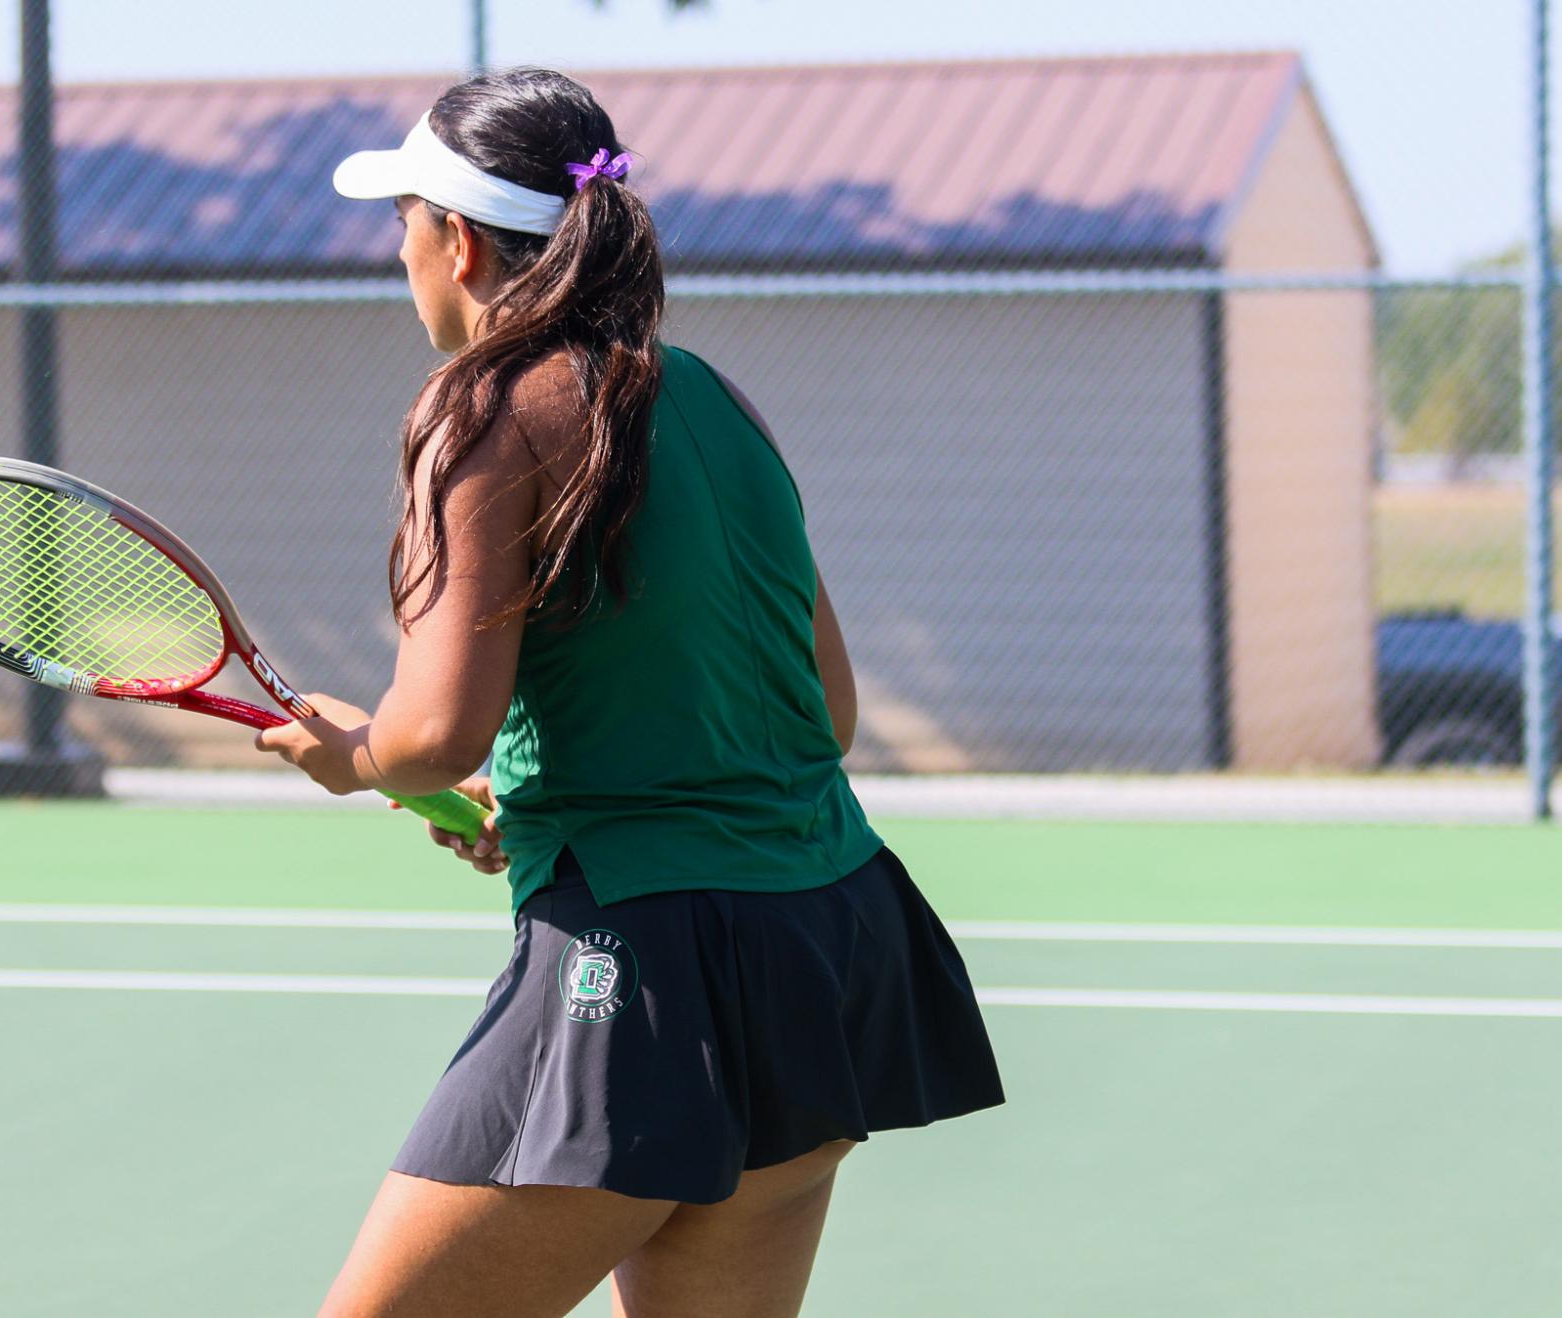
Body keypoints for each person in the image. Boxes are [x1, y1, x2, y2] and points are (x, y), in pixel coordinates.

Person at [257, 66, 1004, 1318]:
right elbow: (822, 717)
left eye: (401, 226)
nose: (401, 256)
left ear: (456, 240)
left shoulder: (482, 409)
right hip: (828, 940)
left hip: (638, 967)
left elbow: (434, 733)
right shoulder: (715, 397)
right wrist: (550, 792)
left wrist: (361, 755)